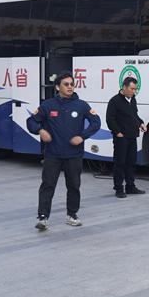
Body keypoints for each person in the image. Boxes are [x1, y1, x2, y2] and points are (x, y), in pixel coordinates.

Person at [26, 72, 101, 231]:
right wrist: (40, 131)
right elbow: (31, 121)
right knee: (48, 185)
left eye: (72, 84)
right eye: (66, 84)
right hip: (53, 154)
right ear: (57, 87)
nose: (70, 87)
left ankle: (72, 215)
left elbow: (96, 122)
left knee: (74, 185)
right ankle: (43, 217)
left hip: (74, 154)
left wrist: (82, 136)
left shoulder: (81, 105)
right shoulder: (48, 105)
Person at [106, 77, 147, 198]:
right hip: (121, 137)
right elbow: (110, 119)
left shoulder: (133, 99)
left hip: (132, 135)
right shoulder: (114, 101)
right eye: (132, 89)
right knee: (120, 163)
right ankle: (119, 188)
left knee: (131, 162)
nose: (134, 91)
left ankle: (130, 186)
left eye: (135, 89)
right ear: (124, 87)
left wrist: (141, 123)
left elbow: (134, 115)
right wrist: (117, 132)